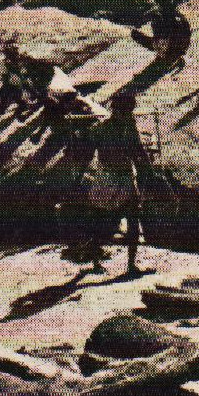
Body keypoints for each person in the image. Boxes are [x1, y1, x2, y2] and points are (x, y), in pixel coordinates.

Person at [79, 90, 157, 277]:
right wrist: (149, 172)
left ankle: (100, 262)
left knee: (105, 220)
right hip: (118, 178)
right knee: (129, 219)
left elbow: (86, 154)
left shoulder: (100, 128)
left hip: (105, 179)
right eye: (127, 110)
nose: (128, 114)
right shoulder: (126, 127)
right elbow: (137, 152)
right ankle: (129, 265)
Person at [132, 0, 192, 70]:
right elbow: (186, 30)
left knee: (158, 17)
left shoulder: (166, 50)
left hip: (167, 27)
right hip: (169, 25)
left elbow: (148, 42)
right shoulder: (180, 45)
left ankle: (160, 3)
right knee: (161, 16)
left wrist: (135, 34)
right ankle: (162, 2)